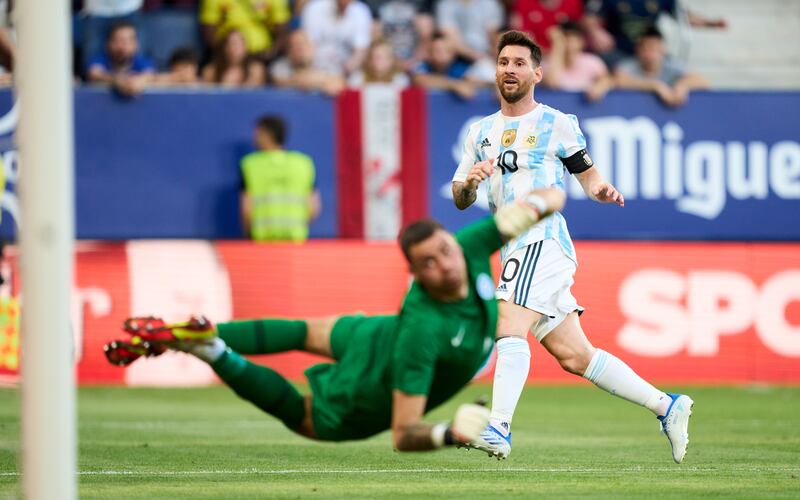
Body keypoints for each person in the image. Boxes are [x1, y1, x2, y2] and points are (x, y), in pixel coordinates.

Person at [103, 188, 567, 451]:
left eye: (444, 251)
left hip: (375, 332)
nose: (444, 264)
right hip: (374, 379)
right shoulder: (424, 334)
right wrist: (452, 435)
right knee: (304, 418)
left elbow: (543, 200)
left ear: (453, 242)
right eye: (428, 263)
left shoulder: (466, 246)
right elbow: (403, 435)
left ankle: (203, 333)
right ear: (416, 275)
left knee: (307, 330)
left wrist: (541, 200)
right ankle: (212, 350)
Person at [450, 30, 694, 463]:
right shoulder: (480, 132)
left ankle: (499, 427)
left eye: (520, 63)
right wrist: (469, 184)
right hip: (511, 246)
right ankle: (667, 405)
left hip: (541, 239)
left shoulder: (556, 122)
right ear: (496, 70)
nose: (510, 69)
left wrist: (601, 189)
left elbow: (588, 174)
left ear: (537, 73)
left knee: (507, 321)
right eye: (504, 61)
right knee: (574, 356)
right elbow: (461, 196)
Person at [240, 115, 320, 242]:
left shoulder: (250, 165)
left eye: (257, 133)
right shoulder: (304, 163)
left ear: (266, 134)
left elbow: (246, 209)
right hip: (296, 240)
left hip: (262, 242)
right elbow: (313, 208)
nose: (254, 137)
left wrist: (248, 234)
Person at [614, 26, 708, 107]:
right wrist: (655, 86)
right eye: (645, 48)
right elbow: (618, 81)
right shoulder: (629, 65)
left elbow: (702, 82)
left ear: (662, 50)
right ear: (638, 50)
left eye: (653, 48)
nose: (649, 53)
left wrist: (682, 87)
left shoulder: (672, 64)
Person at [199, 0, 291, 64]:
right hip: (226, 57)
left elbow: (282, 31)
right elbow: (209, 33)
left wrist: (271, 52)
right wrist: (227, 52)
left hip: (262, 57)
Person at [542, 21, 613, 101]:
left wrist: (600, 86)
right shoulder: (548, 62)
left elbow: (607, 79)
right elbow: (552, 84)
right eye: (564, 39)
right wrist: (558, 47)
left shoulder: (592, 61)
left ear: (581, 41)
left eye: (573, 39)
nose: (569, 44)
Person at [85, 21, 155, 96]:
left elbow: (149, 75)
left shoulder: (142, 61)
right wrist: (116, 80)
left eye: (127, 41)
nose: (122, 47)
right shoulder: (99, 59)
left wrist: (140, 81)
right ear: (108, 44)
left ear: (136, 44)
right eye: (117, 41)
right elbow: (94, 74)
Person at [270, 29, 346, 96]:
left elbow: (339, 83)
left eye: (304, 44)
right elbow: (281, 82)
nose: (301, 49)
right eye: (295, 45)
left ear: (312, 47)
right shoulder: (280, 66)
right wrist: (322, 81)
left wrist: (302, 81)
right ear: (289, 52)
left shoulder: (326, 64)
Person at [412, 33, 478, 99]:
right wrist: (455, 85)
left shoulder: (459, 67)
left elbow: (472, 81)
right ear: (429, 54)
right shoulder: (422, 65)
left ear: (453, 54)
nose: (442, 54)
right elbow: (419, 80)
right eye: (437, 51)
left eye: (446, 51)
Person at [202, 30, 266, 87]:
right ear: (224, 47)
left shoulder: (256, 70)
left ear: (246, 48)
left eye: (238, 44)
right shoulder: (210, 71)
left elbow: (255, 95)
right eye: (230, 43)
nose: (234, 48)